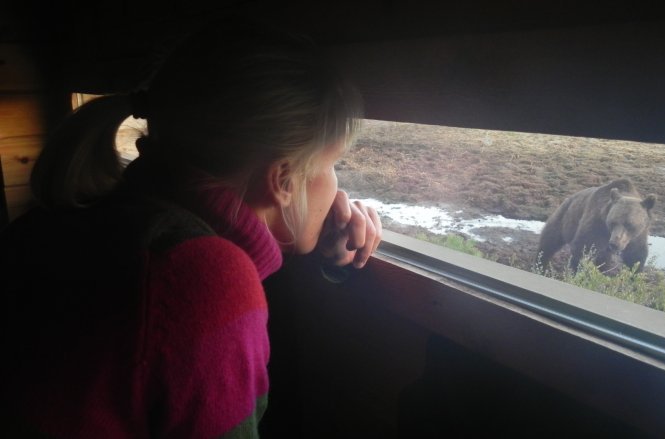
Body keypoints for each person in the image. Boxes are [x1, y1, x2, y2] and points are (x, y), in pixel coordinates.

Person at [1, 19, 381, 438]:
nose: (335, 184)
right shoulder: (200, 275)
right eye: (331, 164)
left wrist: (317, 234)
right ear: (283, 179)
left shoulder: (90, 217)